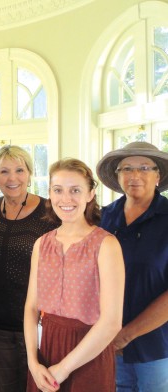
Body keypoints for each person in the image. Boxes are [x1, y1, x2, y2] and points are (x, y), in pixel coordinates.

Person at [24, 158, 125, 392]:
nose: (66, 199)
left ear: (90, 194)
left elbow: (111, 322)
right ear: (49, 193)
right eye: (58, 190)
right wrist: (32, 361)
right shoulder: (42, 244)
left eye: (75, 190)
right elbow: (31, 307)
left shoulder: (106, 245)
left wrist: (64, 368)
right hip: (46, 350)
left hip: (90, 352)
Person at [0, 145, 58, 391]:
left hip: (40, 325)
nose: (12, 178)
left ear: (30, 174)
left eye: (20, 170)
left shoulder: (50, 212)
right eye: (4, 171)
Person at [96, 141, 168, 392]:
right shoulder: (103, 218)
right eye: (126, 168)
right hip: (107, 343)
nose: (135, 175)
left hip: (157, 347)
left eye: (145, 168)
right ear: (118, 177)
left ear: (158, 176)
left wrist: (126, 335)